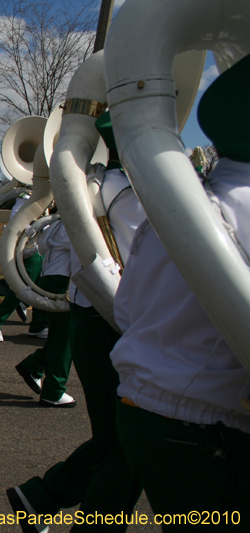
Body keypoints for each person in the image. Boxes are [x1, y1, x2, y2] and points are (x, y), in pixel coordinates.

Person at [108, 54, 250, 528]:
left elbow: (127, 307)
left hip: (149, 405)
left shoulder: (171, 207)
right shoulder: (128, 194)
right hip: (208, 423)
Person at [7, 112, 146, 532]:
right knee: (129, 445)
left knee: (121, 443)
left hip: (97, 314)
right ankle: (45, 497)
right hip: (114, 319)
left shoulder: (100, 185)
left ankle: (42, 497)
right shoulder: (132, 193)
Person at [14, 218, 75, 409]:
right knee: (65, 339)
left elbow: (39, 249)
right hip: (65, 280)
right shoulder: (73, 222)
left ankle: (34, 365)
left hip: (50, 277)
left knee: (62, 336)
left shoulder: (56, 223)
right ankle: (54, 390)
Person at [0, 192, 48, 341]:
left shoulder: (42, 196)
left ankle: (38, 325)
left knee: (40, 288)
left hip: (39, 248)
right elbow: (17, 223)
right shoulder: (27, 198)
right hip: (29, 249)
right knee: (21, 289)